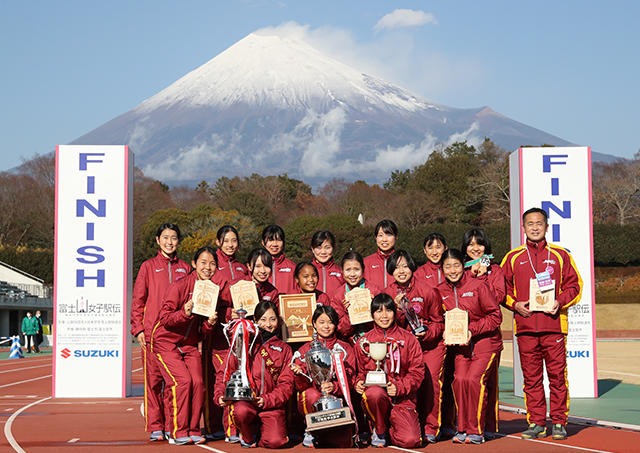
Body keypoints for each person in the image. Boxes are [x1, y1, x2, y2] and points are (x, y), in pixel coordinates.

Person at [501, 207, 582, 440]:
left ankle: (558, 421)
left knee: (557, 376)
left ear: (547, 227)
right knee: (532, 378)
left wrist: (560, 301)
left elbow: (575, 286)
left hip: (554, 326)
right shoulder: (514, 257)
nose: (535, 227)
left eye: (539, 223)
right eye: (530, 224)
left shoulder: (560, 255)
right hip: (525, 328)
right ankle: (536, 422)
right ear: (523, 227)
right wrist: (515, 304)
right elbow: (501, 289)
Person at [151, 246, 219, 445]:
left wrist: (209, 324)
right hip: (166, 342)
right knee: (182, 382)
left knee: (198, 383)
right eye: (203, 263)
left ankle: (193, 428)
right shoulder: (179, 286)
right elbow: (164, 319)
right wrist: (185, 313)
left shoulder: (211, 291)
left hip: (189, 345)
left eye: (212, 263)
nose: (208, 267)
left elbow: (203, 332)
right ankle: (177, 431)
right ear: (194, 264)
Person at [130, 223, 191, 442]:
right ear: (158, 240)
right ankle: (156, 425)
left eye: (174, 238)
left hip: (176, 335)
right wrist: (138, 329)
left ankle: (170, 423)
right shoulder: (148, 266)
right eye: (165, 237)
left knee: (172, 382)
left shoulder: (185, 268)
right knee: (154, 382)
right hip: (152, 335)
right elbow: (138, 299)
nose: (170, 242)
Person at [437, 249, 503, 444]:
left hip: (485, 343)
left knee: (474, 380)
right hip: (460, 348)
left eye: (456, 265)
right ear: (442, 269)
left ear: (463, 266)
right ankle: (462, 428)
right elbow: (437, 318)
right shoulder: (440, 291)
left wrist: (471, 330)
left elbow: (495, 316)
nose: (452, 270)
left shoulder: (478, 286)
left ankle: (476, 430)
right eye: (447, 266)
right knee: (459, 380)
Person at [384, 250, 445, 443]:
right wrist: (396, 309)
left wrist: (427, 333)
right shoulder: (387, 293)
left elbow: (438, 322)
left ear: (412, 267)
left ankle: (430, 427)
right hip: (401, 349)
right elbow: (385, 323)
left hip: (429, 346)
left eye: (405, 266)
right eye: (396, 267)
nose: (401, 271)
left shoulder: (428, 290)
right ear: (391, 271)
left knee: (431, 383)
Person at [215, 300, 294, 448]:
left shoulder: (285, 349)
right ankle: (248, 435)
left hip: (270, 405)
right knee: (241, 411)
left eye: (272, 319)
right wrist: (219, 394)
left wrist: (266, 400)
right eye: (263, 320)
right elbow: (224, 373)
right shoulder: (242, 343)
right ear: (255, 321)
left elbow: (286, 385)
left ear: (278, 321)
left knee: (276, 441)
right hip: (247, 401)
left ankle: (262, 432)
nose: (268, 324)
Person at [354, 293, 424, 448]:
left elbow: (417, 372)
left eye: (388, 311)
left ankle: (391, 428)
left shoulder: (409, 339)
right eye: (379, 311)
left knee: (410, 440)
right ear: (372, 314)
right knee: (373, 393)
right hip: (377, 397)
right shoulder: (363, 341)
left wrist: (399, 387)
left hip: (402, 399)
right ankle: (379, 429)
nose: (384, 316)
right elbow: (359, 372)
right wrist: (358, 382)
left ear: (395, 312)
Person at [461, 228, 506, 438]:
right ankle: (462, 425)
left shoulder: (494, 270)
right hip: (461, 337)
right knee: (462, 381)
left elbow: (497, 297)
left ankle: (487, 427)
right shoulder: (460, 269)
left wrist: (482, 277)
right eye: (470, 244)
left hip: (487, 335)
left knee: (484, 382)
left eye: (479, 243)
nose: (475, 248)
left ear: (486, 247)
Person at [291, 305, 356, 448]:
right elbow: (300, 387)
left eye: (331, 322)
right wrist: (298, 374)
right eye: (321, 322)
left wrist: (335, 387)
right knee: (311, 395)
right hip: (313, 399)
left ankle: (327, 432)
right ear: (314, 323)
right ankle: (311, 429)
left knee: (343, 444)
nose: (326, 326)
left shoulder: (345, 348)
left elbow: (352, 380)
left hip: (337, 401)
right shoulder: (305, 350)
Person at [329, 250, 382, 342]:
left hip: (374, 340)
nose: (352, 274)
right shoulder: (338, 295)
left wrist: (374, 308)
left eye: (356, 269)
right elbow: (340, 330)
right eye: (348, 270)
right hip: (349, 343)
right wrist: (348, 313)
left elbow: (383, 321)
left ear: (363, 269)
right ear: (342, 271)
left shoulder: (373, 290)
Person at [261, 224, 297, 294]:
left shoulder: (292, 267)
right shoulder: (257, 266)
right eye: (270, 240)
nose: (275, 244)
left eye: (278, 240)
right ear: (263, 242)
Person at [363, 219, 398, 289]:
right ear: (376, 238)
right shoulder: (365, 262)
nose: (384, 239)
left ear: (396, 237)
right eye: (380, 235)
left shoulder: (403, 261)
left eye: (388, 235)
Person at [310, 230, 344, 295]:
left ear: (333, 248)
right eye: (319, 248)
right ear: (312, 249)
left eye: (327, 248)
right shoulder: (305, 271)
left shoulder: (341, 272)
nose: (323, 252)